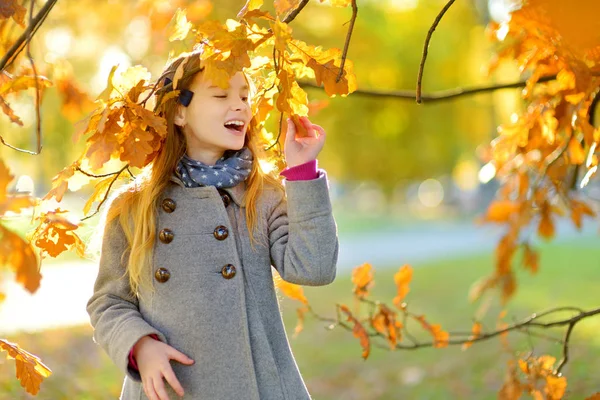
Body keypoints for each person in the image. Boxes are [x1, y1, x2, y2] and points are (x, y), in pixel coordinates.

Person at [86, 47, 339, 400]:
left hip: (260, 386)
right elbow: (108, 301)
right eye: (221, 95)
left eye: (245, 96)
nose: (240, 107)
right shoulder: (135, 206)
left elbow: (314, 268)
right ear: (178, 111)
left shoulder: (261, 195)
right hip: (172, 386)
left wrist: (301, 172)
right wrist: (140, 345)